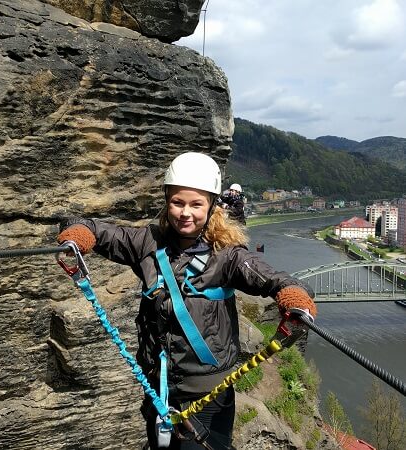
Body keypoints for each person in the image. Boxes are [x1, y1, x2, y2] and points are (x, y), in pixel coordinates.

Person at [57, 152, 316, 449]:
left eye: (196, 204)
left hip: (208, 395)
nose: (185, 213)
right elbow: (101, 232)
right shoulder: (148, 243)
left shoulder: (227, 256)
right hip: (158, 386)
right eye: (178, 203)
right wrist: (80, 232)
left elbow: (270, 277)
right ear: (167, 202)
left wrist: (293, 295)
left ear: (211, 207)